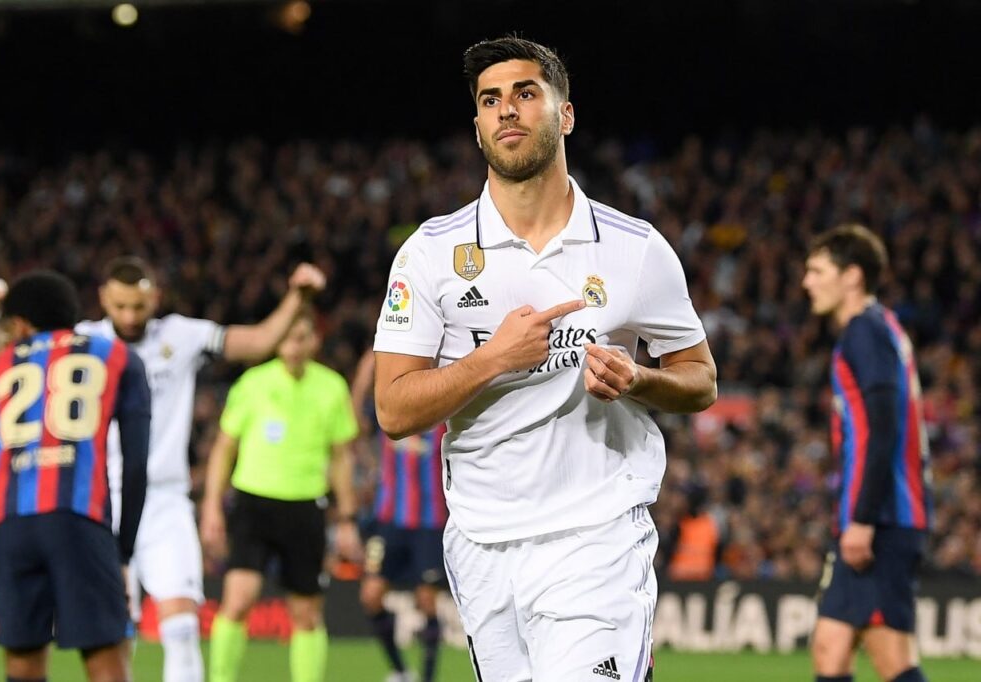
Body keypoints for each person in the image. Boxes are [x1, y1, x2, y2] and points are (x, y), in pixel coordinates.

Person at [373, 37, 717, 681]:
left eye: (526, 93)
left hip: (597, 535)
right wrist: (493, 358)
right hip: (482, 544)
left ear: (566, 115)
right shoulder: (429, 253)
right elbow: (393, 409)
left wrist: (638, 378)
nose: (506, 109)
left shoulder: (635, 248)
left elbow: (700, 380)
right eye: (490, 100)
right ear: (478, 125)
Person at [72, 255, 323, 682]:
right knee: (113, 632)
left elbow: (258, 342)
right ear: (103, 300)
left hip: (164, 498)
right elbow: (8, 356)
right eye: (120, 307)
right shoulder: (81, 340)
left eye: (138, 306)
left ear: (155, 297)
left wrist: (297, 298)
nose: (129, 317)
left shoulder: (180, 335)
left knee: (183, 626)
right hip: (100, 499)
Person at [0, 270, 151, 682]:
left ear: (20, 325)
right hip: (77, 519)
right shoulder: (115, 355)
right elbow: (136, 463)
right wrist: (123, 550)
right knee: (106, 658)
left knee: (22, 663)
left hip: (11, 524)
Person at [200, 312, 362, 682]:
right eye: (287, 338)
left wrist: (347, 518)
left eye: (301, 337)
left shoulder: (332, 387)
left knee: (306, 614)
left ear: (314, 341)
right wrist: (212, 506)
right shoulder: (253, 383)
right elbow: (224, 448)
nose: (293, 346)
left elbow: (341, 458)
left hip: (305, 506)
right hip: (253, 502)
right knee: (238, 599)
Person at [802, 225, 932, 682]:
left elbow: (883, 428)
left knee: (892, 658)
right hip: (878, 515)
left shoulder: (866, 332)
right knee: (831, 651)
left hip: (883, 518)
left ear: (852, 276)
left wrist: (862, 519)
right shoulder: (879, 328)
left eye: (818, 271)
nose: (807, 282)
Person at [351, 349, 448, 682]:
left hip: (430, 523)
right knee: (370, 595)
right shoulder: (388, 412)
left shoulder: (443, 415)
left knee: (427, 600)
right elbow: (353, 419)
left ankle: (427, 678)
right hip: (389, 520)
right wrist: (365, 370)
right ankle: (401, 671)